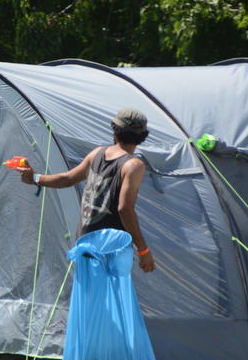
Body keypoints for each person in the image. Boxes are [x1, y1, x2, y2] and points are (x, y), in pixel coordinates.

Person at [17, 107, 155, 273]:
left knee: (88, 297)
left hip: (85, 242)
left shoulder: (97, 153)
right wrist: (143, 250)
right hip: (110, 249)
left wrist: (35, 178)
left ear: (115, 131)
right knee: (110, 298)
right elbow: (124, 208)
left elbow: (68, 179)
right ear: (142, 137)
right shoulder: (133, 165)